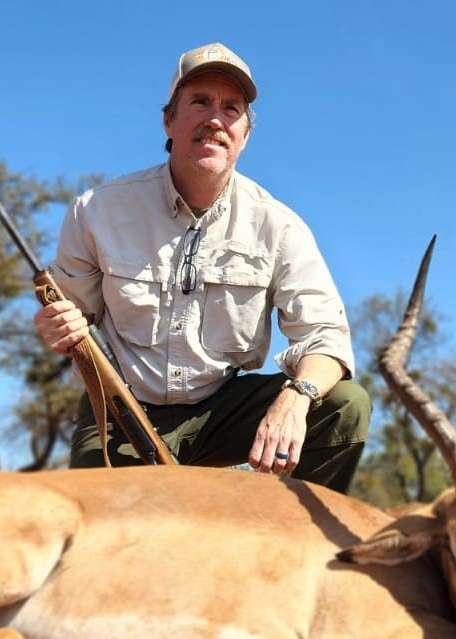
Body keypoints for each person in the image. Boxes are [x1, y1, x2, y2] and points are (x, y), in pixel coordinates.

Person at [35, 42, 370, 492]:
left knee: (344, 405)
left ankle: (300, 552)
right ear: (169, 120)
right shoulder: (95, 210)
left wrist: (296, 397)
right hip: (120, 408)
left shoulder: (281, 226)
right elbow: (74, 317)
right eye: (200, 102)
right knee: (100, 536)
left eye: (231, 108)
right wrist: (57, 328)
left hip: (221, 410)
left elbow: (326, 337)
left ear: (245, 134)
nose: (215, 119)